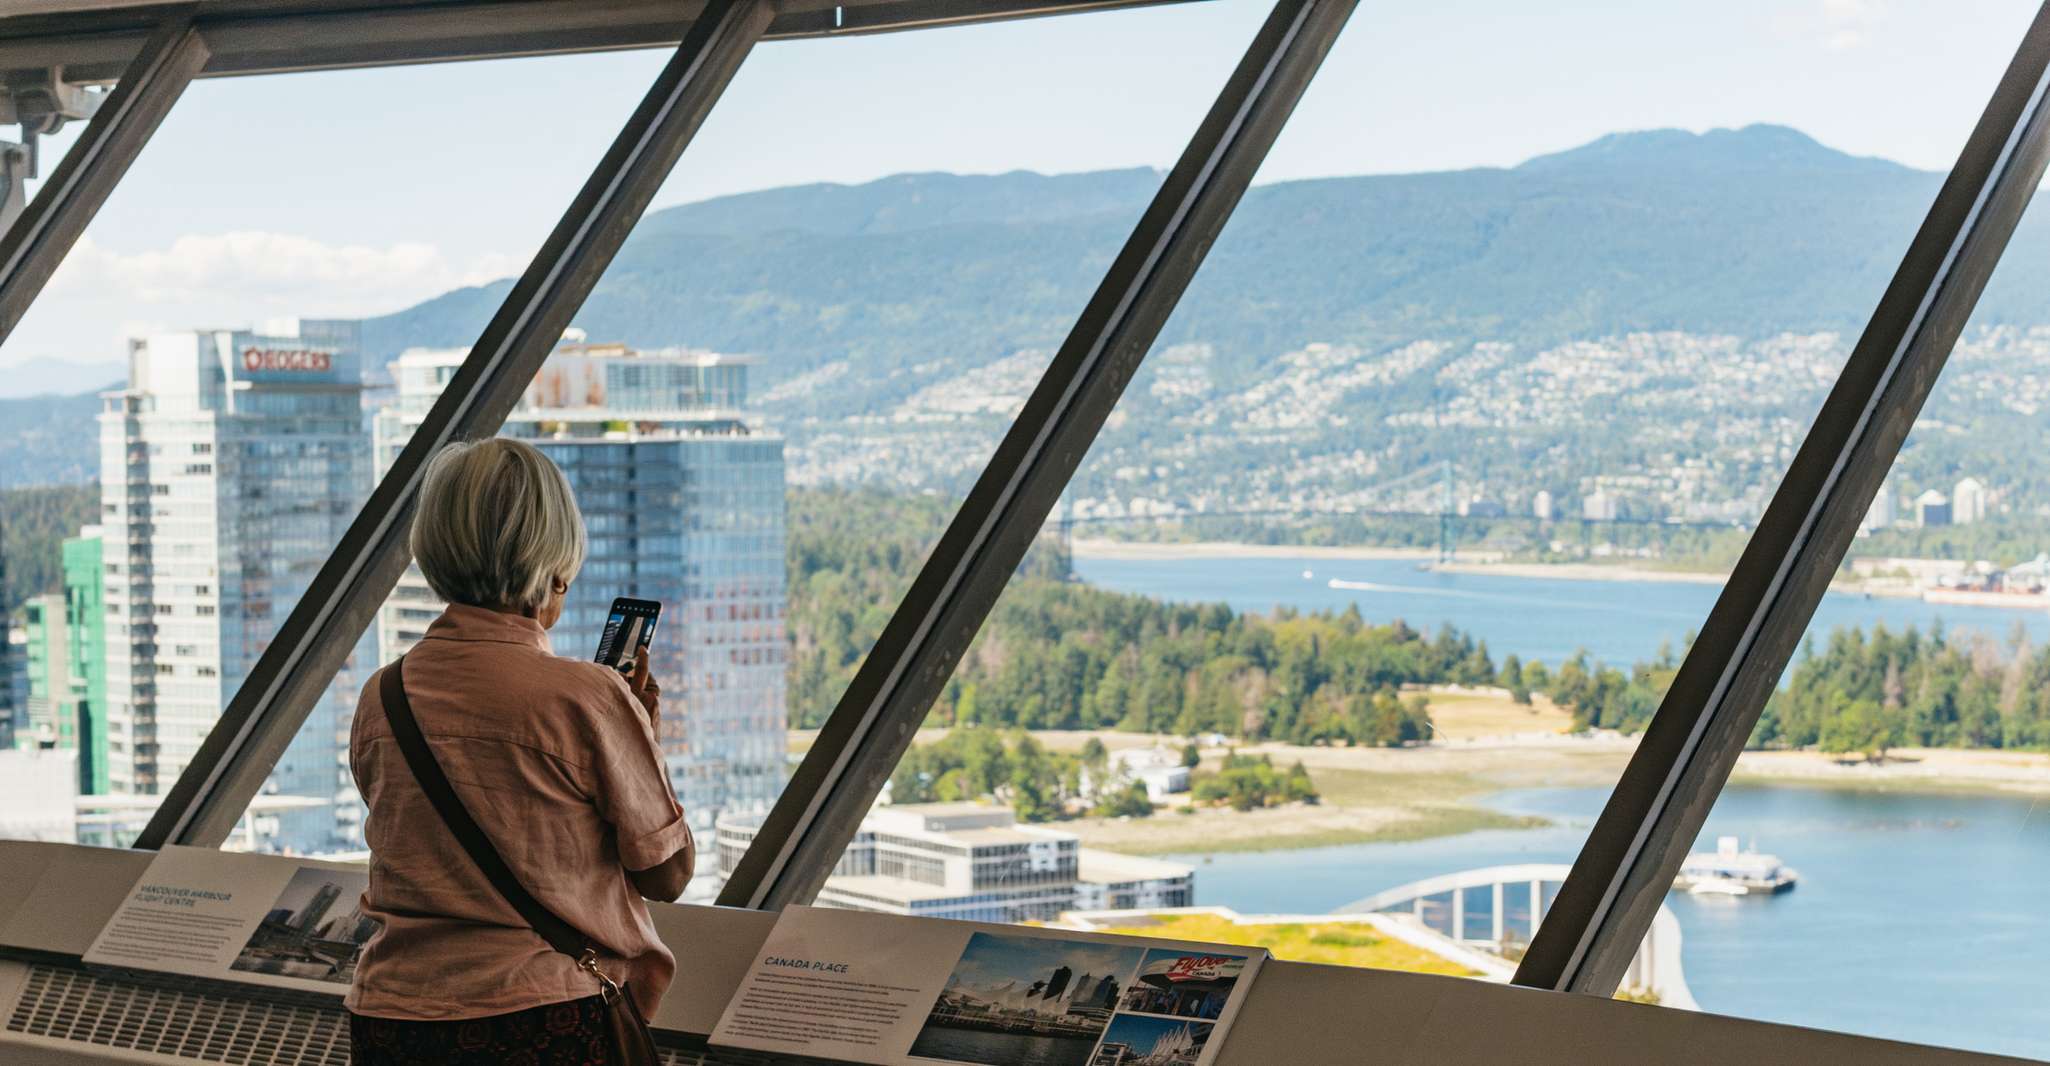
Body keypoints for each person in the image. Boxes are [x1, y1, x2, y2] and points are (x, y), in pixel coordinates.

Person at [345, 438, 694, 1065]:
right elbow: (666, 874)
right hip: (541, 1019)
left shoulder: (384, 694)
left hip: (394, 1020)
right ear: (556, 569)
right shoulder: (587, 697)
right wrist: (641, 739)